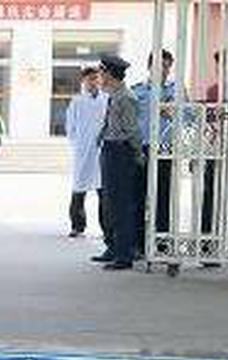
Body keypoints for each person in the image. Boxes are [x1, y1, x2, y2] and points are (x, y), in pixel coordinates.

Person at [94, 54, 142, 270]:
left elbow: (132, 130)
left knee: (122, 204)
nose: (99, 78)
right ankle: (113, 247)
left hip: (121, 152)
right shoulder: (114, 95)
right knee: (110, 202)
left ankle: (124, 255)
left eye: (102, 73)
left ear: (111, 74)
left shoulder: (126, 97)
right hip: (110, 149)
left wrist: (137, 154)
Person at [132, 49, 177, 255]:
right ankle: (140, 241)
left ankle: (162, 240)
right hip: (143, 148)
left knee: (163, 195)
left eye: (168, 66)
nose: (165, 70)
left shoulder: (176, 91)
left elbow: (191, 118)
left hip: (166, 149)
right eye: (160, 66)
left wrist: (174, 112)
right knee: (140, 195)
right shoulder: (138, 91)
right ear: (150, 67)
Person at [64, 67, 108, 239]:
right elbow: (71, 127)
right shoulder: (77, 101)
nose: (93, 82)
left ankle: (107, 229)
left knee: (103, 192)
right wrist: (77, 144)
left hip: (102, 150)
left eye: (96, 79)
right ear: (84, 82)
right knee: (79, 190)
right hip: (83, 150)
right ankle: (77, 226)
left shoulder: (107, 99)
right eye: (90, 79)